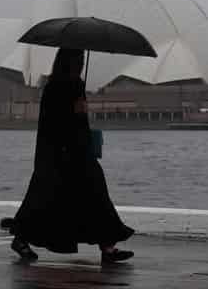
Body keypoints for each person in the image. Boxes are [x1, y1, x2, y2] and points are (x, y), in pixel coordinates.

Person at [9, 48, 134, 263]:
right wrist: (79, 110)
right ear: (71, 62)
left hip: (59, 153)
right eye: (79, 60)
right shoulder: (71, 86)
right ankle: (107, 247)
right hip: (70, 153)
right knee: (78, 196)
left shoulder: (54, 86)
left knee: (53, 197)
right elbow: (69, 122)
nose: (82, 64)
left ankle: (107, 246)